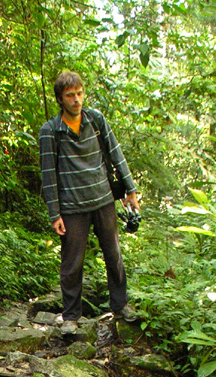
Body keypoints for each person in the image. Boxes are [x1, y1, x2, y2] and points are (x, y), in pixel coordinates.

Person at [39, 71, 140, 333]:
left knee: (114, 254)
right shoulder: (50, 131)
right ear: (60, 99)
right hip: (72, 207)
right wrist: (54, 214)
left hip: (103, 199)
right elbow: (49, 175)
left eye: (79, 93)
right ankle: (71, 317)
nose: (76, 100)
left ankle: (121, 306)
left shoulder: (96, 120)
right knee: (72, 262)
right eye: (70, 95)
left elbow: (116, 153)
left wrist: (131, 190)